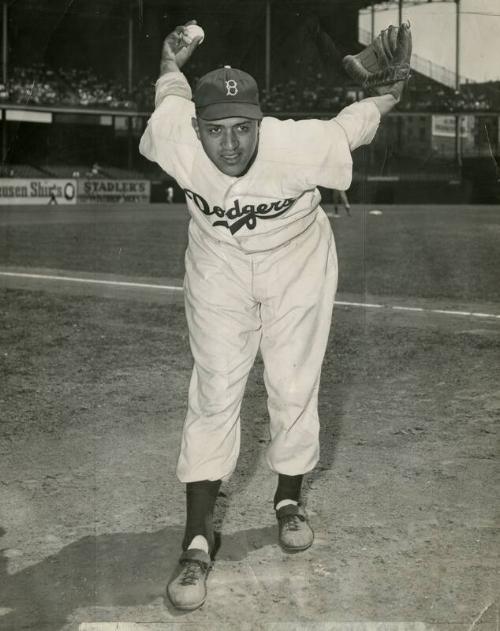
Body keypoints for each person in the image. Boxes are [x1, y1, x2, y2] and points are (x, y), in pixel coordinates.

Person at [139, 20, 402, 611]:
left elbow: (354, 123)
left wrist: (392, 89)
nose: (229, 145)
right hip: (218, 266)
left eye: (242, 129)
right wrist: (167, 58)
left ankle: (288, 499)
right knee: (214, 390)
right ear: (196, 131)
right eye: (216, 131)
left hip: (297, 262)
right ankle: (198, 538)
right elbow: (171, 89)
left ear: (262, 122)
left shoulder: (299, 145)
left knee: (291, 382)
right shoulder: (173, 137)